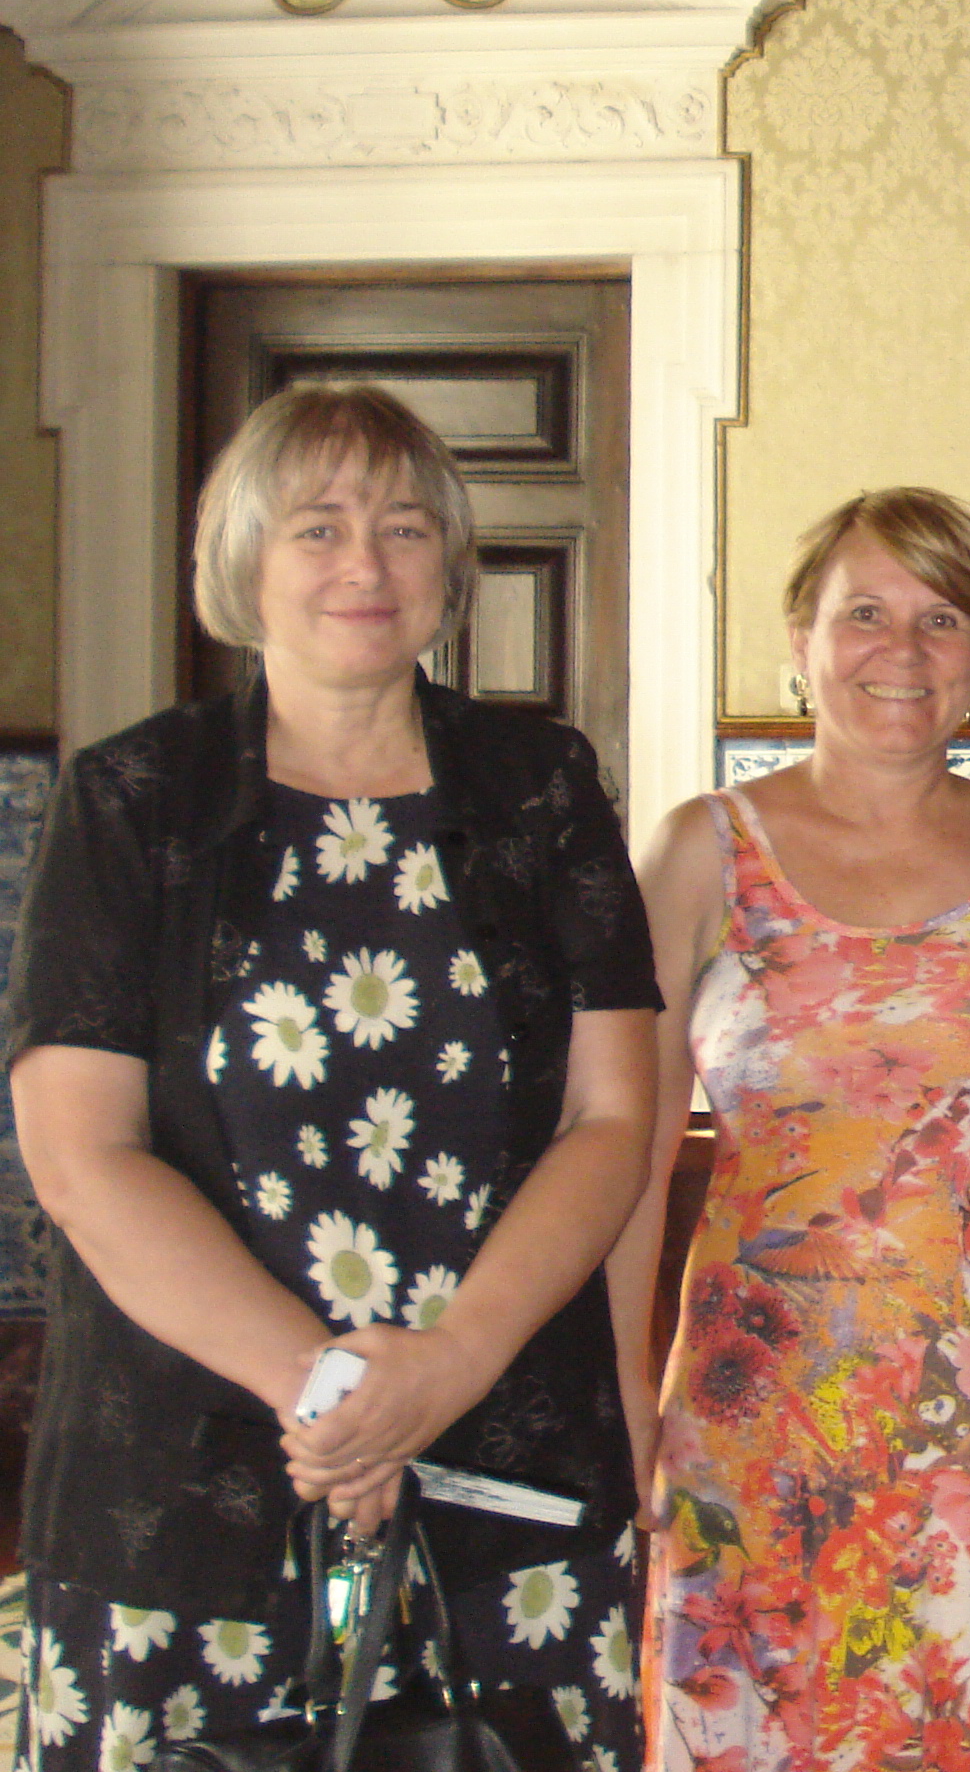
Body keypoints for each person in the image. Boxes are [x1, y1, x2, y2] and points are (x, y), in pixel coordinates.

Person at [3, 382, 659, 1772]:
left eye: (406, 525)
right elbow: (82, 1155)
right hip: (184, 1484)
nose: (366, 564)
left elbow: (612, 1116)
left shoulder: (543, 788)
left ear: (453, 566)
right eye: (318, 526)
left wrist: (453, 1364)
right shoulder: (133, 799)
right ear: (243, 561)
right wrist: (332, 1400)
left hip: (508, 1462)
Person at [607, 487, 970, 1771]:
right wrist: (619, 1382)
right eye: (865, 613)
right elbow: (625, 1147)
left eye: (942, 619)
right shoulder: (702, 853)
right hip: (765, 1408)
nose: (903, 650)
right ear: (800, 637)